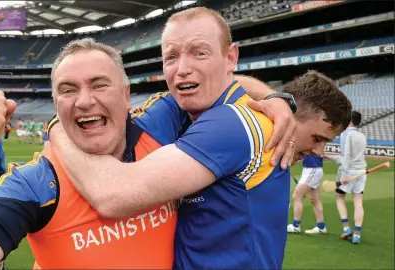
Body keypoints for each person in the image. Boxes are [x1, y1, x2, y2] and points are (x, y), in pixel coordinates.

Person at [0, 37, 294, 269]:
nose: (84, 100)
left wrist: (273, 97)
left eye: (99, 84)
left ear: (125, 95)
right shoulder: (38, 182)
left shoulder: (160, 123)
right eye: (68, 90)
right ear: (56, 103)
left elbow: (213, 81)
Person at [47, 8, 352, 270]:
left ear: (230, 57)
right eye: (171, 57)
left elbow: (113, 196)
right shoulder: (192, 110)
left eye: (200, 52)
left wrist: (57, 129)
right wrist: (273, 95)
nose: (182, 69)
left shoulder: (237, 122)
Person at [327, 111, 367, 244]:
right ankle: (357, 235)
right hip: (361, 171)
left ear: (349, 120)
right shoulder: (362, 136)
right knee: (358, 201)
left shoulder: (346, 134)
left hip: (348, 172)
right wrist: (331, 157)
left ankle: (346, 228)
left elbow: (346, 157)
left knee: (339, 197)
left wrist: (344, 175)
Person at [287, 154, 327, 234]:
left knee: (297, 196)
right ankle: (321, 227)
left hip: (312, 169)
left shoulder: (310, 142)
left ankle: (295, 226)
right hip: (312, 169)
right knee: (314, 198)